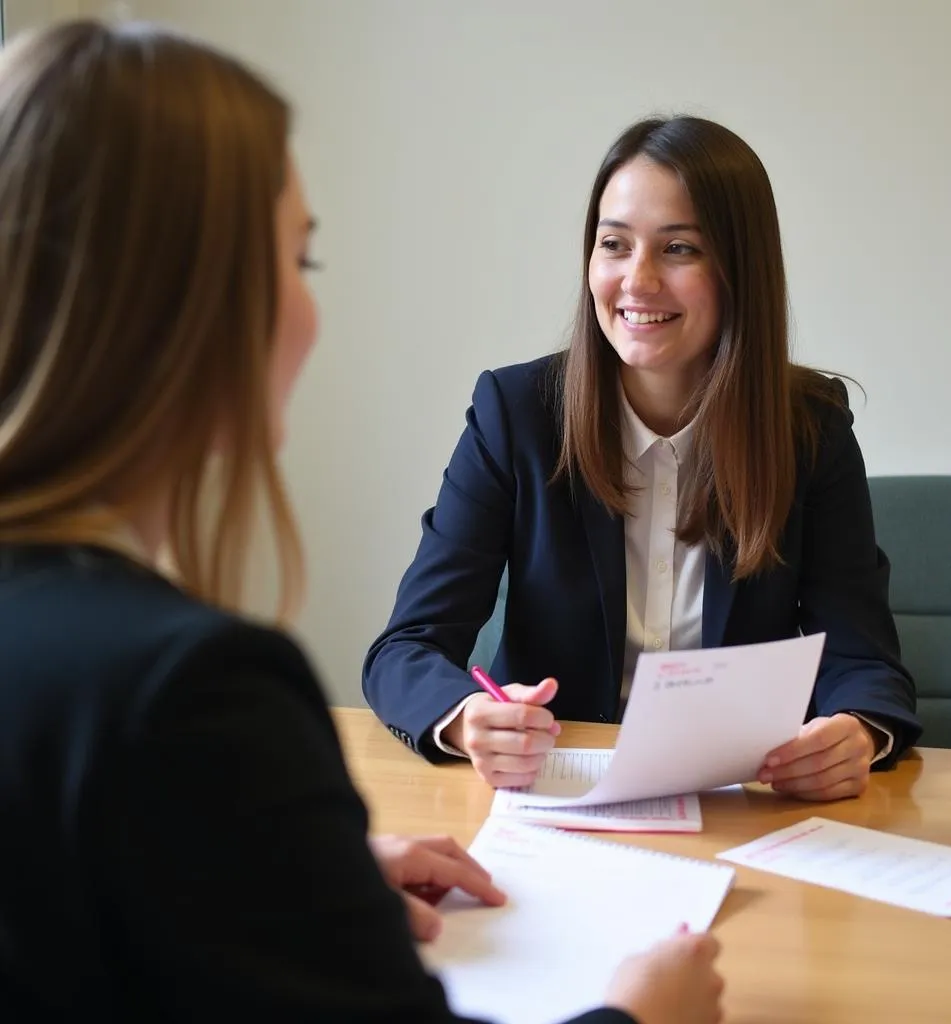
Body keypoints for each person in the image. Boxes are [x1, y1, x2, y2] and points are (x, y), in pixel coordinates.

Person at [0, 20, 723, 1024]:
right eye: (300, 260)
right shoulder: (190, 691)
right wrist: (641, 1017)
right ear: (183, 302)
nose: (310, 311)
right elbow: (409, 643)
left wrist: (273, 878)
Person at [363, 115, 922, 801]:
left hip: (737, 804)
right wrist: (466, 719)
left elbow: (863, 658)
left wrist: (857, 731)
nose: (638, 280)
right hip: (553, 798)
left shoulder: (808, 426)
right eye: (614, 245)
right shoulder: (516, 414)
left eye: (679, 248)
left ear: (740, 269)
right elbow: (406, 649)